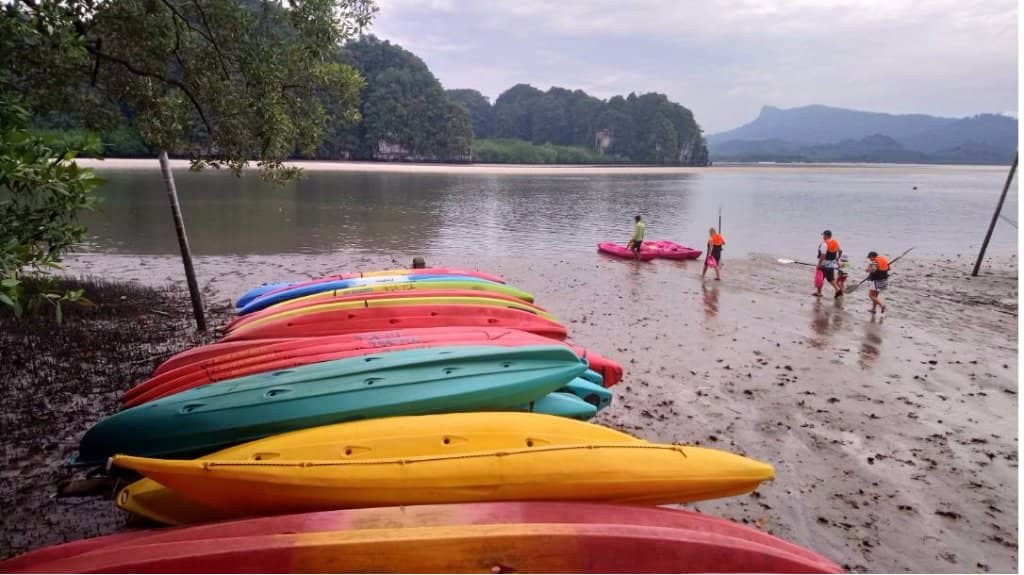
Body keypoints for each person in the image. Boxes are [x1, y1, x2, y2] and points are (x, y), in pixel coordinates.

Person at [815, 230, 843, 298]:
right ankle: (838, 289)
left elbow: (823, 255)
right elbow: (840, 251)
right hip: (831, 264)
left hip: (824, 264)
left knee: (820, 278)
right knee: (831, 279)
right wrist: (837, 258)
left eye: (823, 235)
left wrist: (819, 264)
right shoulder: (836, 242)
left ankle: (819, 293)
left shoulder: (824, 244)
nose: (823, 237)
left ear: (826, 235)